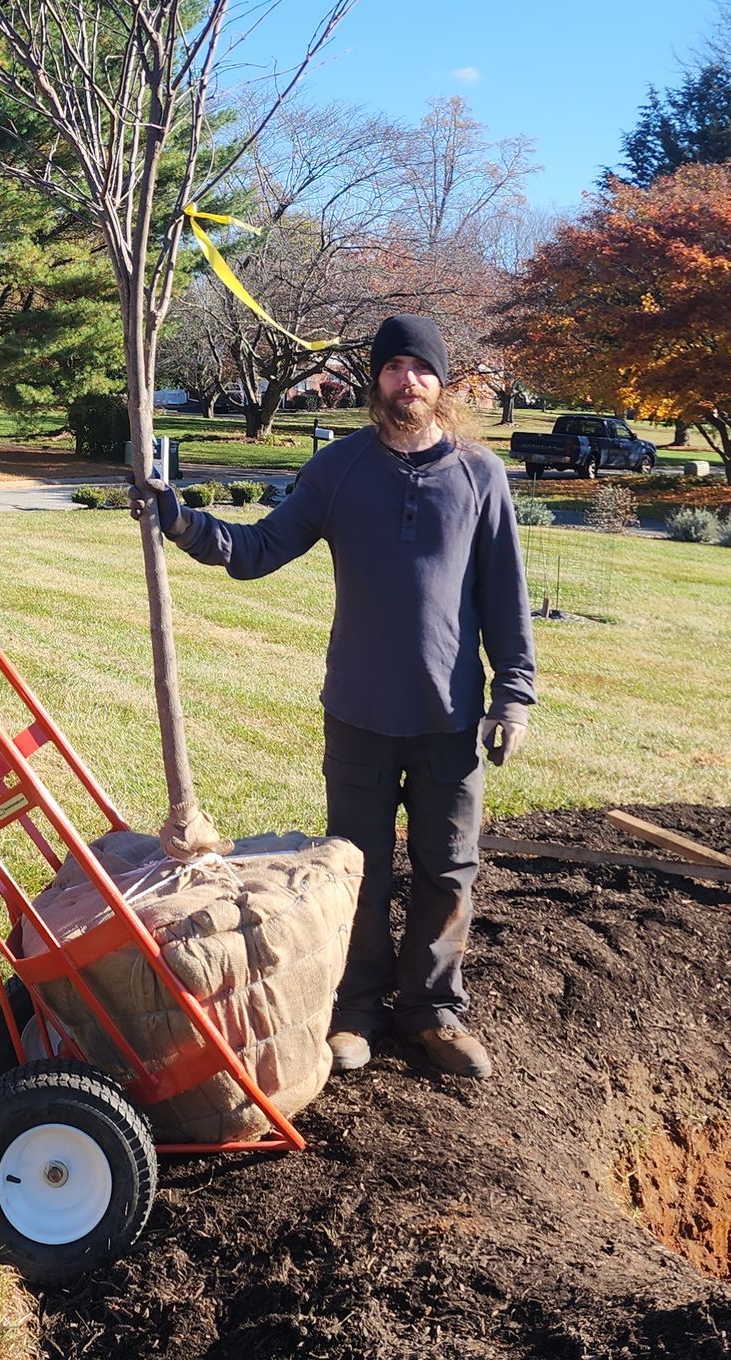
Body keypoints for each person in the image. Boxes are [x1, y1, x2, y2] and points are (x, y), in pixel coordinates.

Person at [134, 314, 535, 1079]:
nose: (407, 379)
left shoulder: (480, 477)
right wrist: (179, 519)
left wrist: (512, 698)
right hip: (358, 712)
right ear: (374, 380)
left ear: (442, 382)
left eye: (421, 367)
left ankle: (432, 1012)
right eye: (393, 367)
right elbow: (256, 551)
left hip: (450, 717)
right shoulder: (341, 470)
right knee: (358, 866)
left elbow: (506, 600)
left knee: (448, 867)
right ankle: (357, 1011)